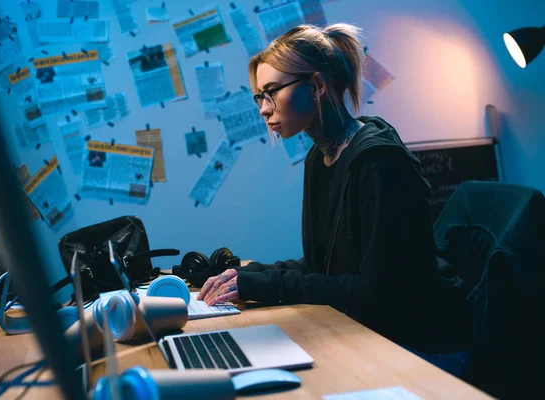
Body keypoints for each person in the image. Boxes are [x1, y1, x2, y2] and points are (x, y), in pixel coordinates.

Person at [197, 23, 471, 378]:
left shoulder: (379, 164)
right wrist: (244, 276)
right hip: (369, 332)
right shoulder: (321, 157)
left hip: (421, 347)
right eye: (259, 97)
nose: (264, 110)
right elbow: (321, 266)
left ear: (316, 86)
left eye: (271, 92)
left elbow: (378, 295)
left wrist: (264, 284)